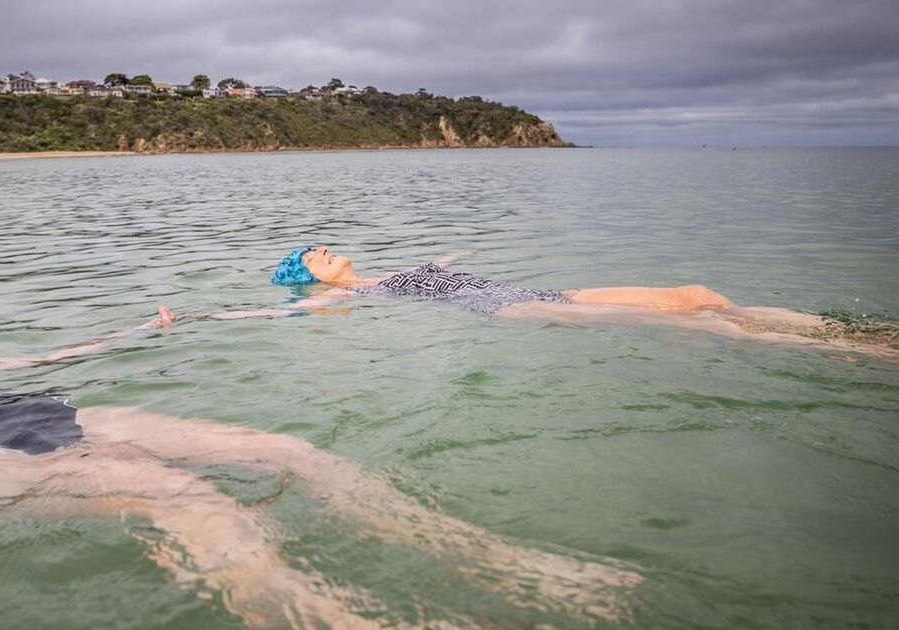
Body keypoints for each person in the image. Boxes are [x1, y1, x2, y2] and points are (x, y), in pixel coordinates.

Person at [0, 282, 642, 630]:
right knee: (183, 496)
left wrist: (138, 334)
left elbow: (44, 355)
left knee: (287, 450)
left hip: (38, 415)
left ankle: (497, 564)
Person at [267, 246, 898, 356]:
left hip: (541, 291)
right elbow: (289, 315)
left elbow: (446, 263)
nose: (323, 249)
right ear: (311, 278)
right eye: (311, 256)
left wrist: (459, 252)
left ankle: (850, 331)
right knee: (706, 325)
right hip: (510, 309)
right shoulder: (341, 297)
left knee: (698, 295)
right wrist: (181, 322)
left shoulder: (390, 273)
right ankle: (857, 353)